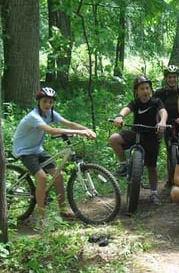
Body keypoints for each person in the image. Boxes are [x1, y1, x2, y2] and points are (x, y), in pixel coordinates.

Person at [12, 87, 96, 225]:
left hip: (37, 149)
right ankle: (42, 217)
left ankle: (63, 208)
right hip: (25, 151)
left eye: (51, 102)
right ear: (39, 102)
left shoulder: (50, 113)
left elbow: (68, 123)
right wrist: (80, 133)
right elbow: (51, 131)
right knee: (42, 177)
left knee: (59, 175)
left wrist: (86, 129)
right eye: (45, 101)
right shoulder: (34, 117)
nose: (48, 105)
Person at [109, 75, 167, 205]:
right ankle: (124, 164)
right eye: (142, 89)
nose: (145, 91)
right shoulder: (135, 102)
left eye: (147, 88)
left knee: (152, 167)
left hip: (151, 136)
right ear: (137, 91)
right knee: (114, 138)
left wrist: (162, 122)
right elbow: (126, 109)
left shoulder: (156, 102)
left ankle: (153, 193)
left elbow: (163, 112)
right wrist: (120, 116)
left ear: (150, 89)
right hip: (136, 134)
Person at [153, 65, 179, 187]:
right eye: (169, 77)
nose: (172, 80)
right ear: (166, 78)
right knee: (170, 149)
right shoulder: (160, 93)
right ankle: (171, 178)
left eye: (174, 77)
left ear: (177, 78)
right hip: (167, 123)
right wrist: (158, 123)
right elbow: (156, 108)